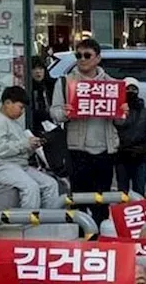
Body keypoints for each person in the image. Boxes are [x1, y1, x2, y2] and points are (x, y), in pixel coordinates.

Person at [49, 38, 124, 223]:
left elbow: (121, 121)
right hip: (77, 149)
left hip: (106, 149)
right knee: (78, 200)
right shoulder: (65, 82)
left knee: (102, 201)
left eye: (87, 55)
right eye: (78, 55)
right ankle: (81, 241)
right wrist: (65, 113)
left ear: (98, 58)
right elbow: (54, 112)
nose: (82, 59)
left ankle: (99, 242)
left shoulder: (112, 84)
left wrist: (122, 113)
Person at [0, 85, 62, 209]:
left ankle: (49, 220)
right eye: (20, 107)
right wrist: (25, 144)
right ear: (7, 103)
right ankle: (26, 223)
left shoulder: (13, 122)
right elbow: (0, 149)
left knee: (50, 184)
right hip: (0, 166)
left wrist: (32, 146)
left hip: (19, 165)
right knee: (30, 188)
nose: (22, 112)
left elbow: (19, 147)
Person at [114, 77, 146, 196]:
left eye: (134, 88)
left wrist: (145, 147)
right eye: (128, 89)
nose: (131, 91)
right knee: (122, 193)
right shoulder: (116, 110)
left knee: (139, 190)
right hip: (121, 156)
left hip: (140, 157)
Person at [29, 58, 55, 134]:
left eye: (40, 68)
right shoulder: (27, 87)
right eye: (34, 69)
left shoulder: (51, 86)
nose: (38, 71)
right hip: (33, 127)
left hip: (51, 127)